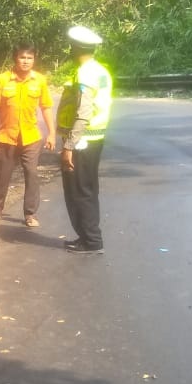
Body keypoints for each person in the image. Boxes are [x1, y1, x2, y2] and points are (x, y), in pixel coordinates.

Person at [0, 43, 55, 226]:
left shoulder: (39, 80)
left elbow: (46, 107)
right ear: (15, 59)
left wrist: (52, 134)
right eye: (22, 57)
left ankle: (30, 214)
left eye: (29, 58)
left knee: (31, 173)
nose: (25, 61)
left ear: (34, 60)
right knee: (2, 174)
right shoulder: (1, 80)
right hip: (6, 136)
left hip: (31, 137)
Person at [58, 25, 113, 254]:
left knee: (78, 190)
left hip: (83, 140)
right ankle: (88, 237)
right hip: (94, 137)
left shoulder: (86, 73)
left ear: (75, 47)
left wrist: (69, 146)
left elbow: (83, 112)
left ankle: (90, 240)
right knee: (87, 188)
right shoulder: (100, 70)